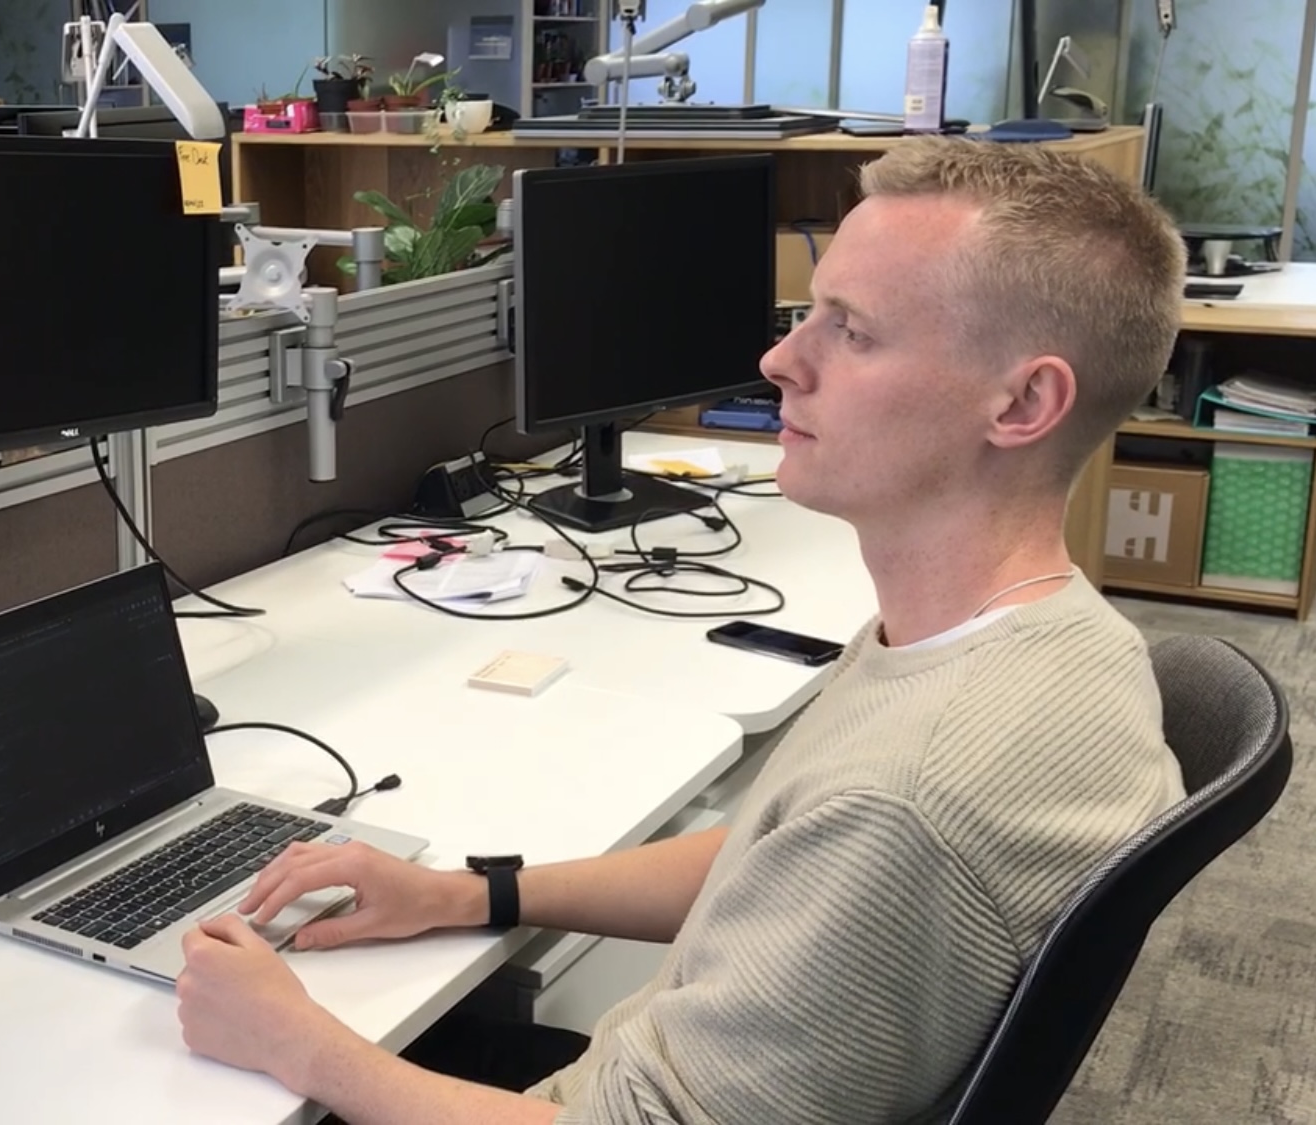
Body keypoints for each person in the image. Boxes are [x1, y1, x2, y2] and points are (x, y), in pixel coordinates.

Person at [173, 137, 1190, 1124]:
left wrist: (297, 1044)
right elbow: (769, 862)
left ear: (1023, 403)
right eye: (808, 315)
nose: (780, 357)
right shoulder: (1054, 639)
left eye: (852, 329)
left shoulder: (902, 800)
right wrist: (467, 894)